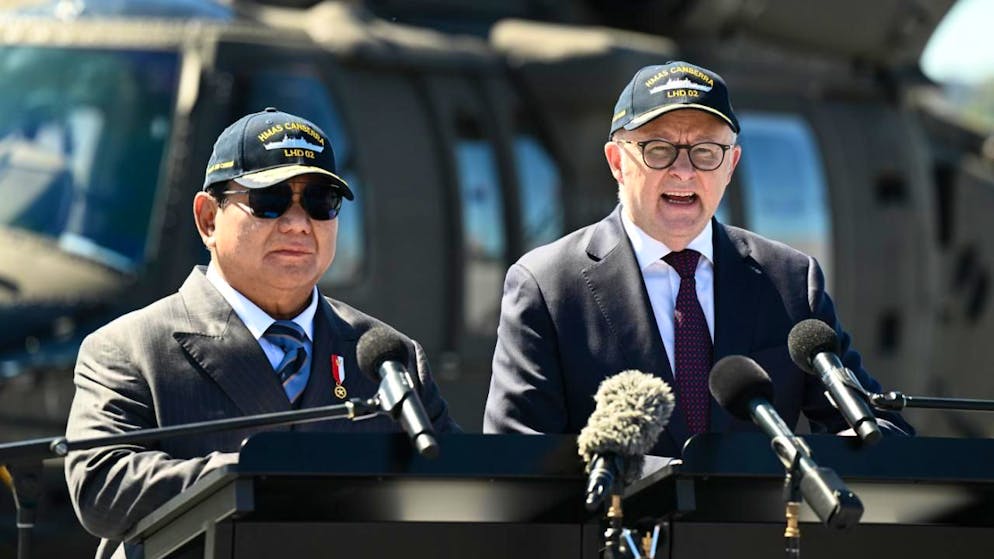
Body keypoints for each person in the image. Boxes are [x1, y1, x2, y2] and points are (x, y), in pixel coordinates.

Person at [64, 108, 458, 558]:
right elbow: (101, 486)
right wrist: (255, 474)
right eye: (269, 200)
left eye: (320, 201)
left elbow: (461, 486)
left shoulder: (388, 356)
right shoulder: (130, 348)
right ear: (208, 219)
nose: (297, 223)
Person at [483, 61, 912, 456]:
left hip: (756, 537)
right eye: (659, 149)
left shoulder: (790, 282)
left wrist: (856, 448)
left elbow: (875, 426)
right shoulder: (547, 286)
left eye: (706, 152)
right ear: (617, 161)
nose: (684, 171)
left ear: (731, 165)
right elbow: (516, 462)